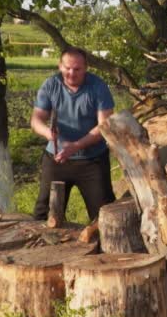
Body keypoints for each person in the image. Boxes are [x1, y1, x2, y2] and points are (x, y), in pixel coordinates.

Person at [31, 46, 116, 222]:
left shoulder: (98, 87)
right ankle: (44, 248)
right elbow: (36, 120)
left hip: (92, 160)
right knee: (44, 214)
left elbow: (104, 127)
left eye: (77, 69)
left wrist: (76, 146)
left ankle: (106, 248)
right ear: (59, 66)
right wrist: (48, 133)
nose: (71, 73)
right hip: (56, 159)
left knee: (105, 215)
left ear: (86, 68)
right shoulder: (50, 85)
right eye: (67, 68)